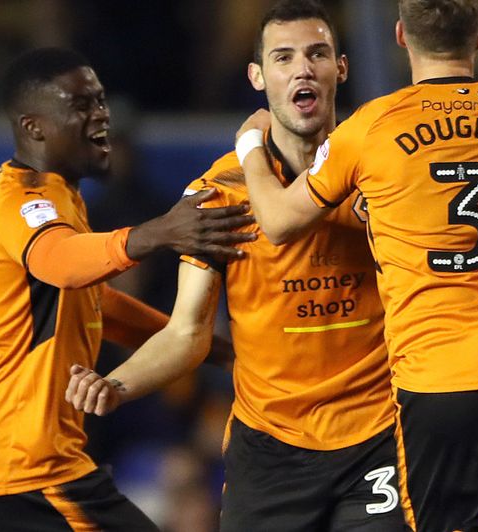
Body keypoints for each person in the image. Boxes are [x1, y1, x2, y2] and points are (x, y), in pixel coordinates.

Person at [234, 1, 478, 531]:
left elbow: (278, 221)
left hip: (440, 386)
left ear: (400, 36)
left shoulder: (372, 130)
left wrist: (250, 146)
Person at [65, 2, 404, 530]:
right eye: (283, 57)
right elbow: (188, 332)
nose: (302, 68)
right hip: (270, 449)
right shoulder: (218, 194)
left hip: (379, 439)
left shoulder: (385, 178)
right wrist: (117, 384)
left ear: (340, 68)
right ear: (257, 76)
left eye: (316, 54)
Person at [0, 47, 254, 532]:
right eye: (80, 105)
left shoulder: (59, 194)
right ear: (34, 126)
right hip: (19, 471)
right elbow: (60, 262)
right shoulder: (22, 200)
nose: (100, 115)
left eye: (100, 101)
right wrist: (162, 232)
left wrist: (201, 344)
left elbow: (92, 302)